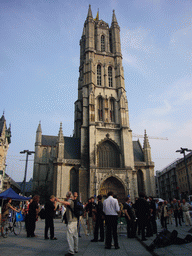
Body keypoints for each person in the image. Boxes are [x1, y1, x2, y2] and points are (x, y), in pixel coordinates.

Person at [57, 191, 78, 256]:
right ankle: (75, 248)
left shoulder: (70, 200)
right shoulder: (74, 201)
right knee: (75, 235)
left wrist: (59, 201)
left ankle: (71, 251)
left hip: (71, 220)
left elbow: (68, 203)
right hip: (75, 220)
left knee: (69, 235)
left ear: (67, 196)